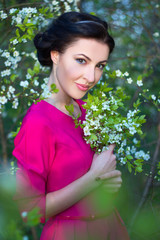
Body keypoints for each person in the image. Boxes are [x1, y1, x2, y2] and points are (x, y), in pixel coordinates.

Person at [13, 11, 130, 240]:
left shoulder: (88, 111)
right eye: (82, 61)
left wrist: (108, 181)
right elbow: (30, 213)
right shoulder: (39, 121)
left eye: (100, 65)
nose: (91, 76)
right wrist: (94, 177)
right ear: (56, 55)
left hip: (110, 228)